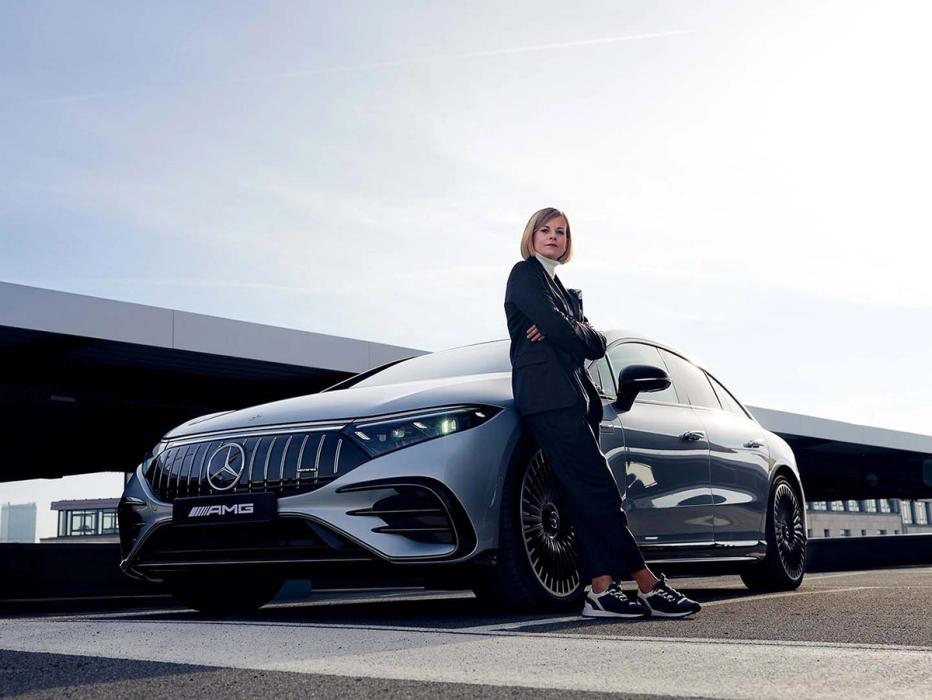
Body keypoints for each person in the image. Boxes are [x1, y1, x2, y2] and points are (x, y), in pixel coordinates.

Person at [504, 207, 701, 619]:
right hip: (549, 401)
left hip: (577, 401)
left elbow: (596, 343)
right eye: (545, 230)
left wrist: (562, 325)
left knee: (584, 496)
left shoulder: (562, 290)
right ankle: (647, 583)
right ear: (531, 236)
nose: (553, 236)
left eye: (561, 231)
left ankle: (601, 589)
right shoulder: (524, 275)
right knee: (600, 492)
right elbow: (568, 332)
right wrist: (564, 327)